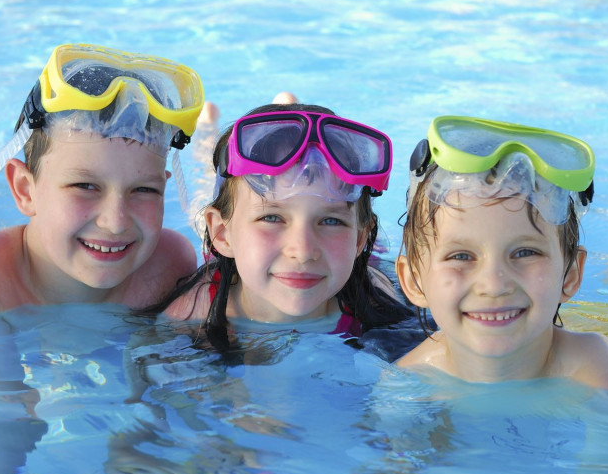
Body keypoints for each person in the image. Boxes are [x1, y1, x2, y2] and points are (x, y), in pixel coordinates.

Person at [0, 44, 204, 320]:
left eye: (144, 189)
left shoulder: (170, 266)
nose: (116, 222)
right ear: (25, 190)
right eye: (85, 186)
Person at [140, 102, 416, 350]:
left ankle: (289, 116)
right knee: (203, 195)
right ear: (223, 233)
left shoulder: (373, 300)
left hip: (355, 266)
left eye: (331, 220)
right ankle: (206, 136)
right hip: (228, 263)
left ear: (358, 240)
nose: (303, 251)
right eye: (272, 218)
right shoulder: (196, 311)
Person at [394, 116, 608, 392]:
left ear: (571, 274)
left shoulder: (590, 366)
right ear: (413, 281)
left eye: (525, 252)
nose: (494, 285)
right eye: (461, 256)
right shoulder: (408, 383)